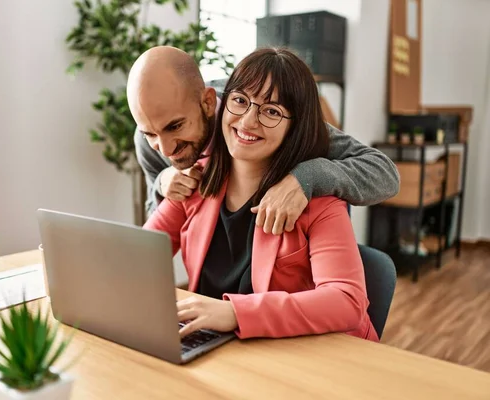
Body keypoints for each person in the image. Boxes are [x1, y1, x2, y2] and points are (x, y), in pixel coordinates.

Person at [142, 47, 378, 342]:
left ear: (295, 126)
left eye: (271, 111)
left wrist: (235, 314)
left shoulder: (317, 199)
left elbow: (347, 302)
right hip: (222, 351)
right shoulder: (196, 180)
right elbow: (139, 256)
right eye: (240, 101)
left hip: (314, 358)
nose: (248, 121)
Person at [129, 46, 399, 234]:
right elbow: (158, 227)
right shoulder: (149, 143)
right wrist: (162, 184)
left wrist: (307, 176)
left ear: (209, 102)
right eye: (150, 133)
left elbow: (385, 173)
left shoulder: (272, 117)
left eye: (176, 126)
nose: (165, 148)